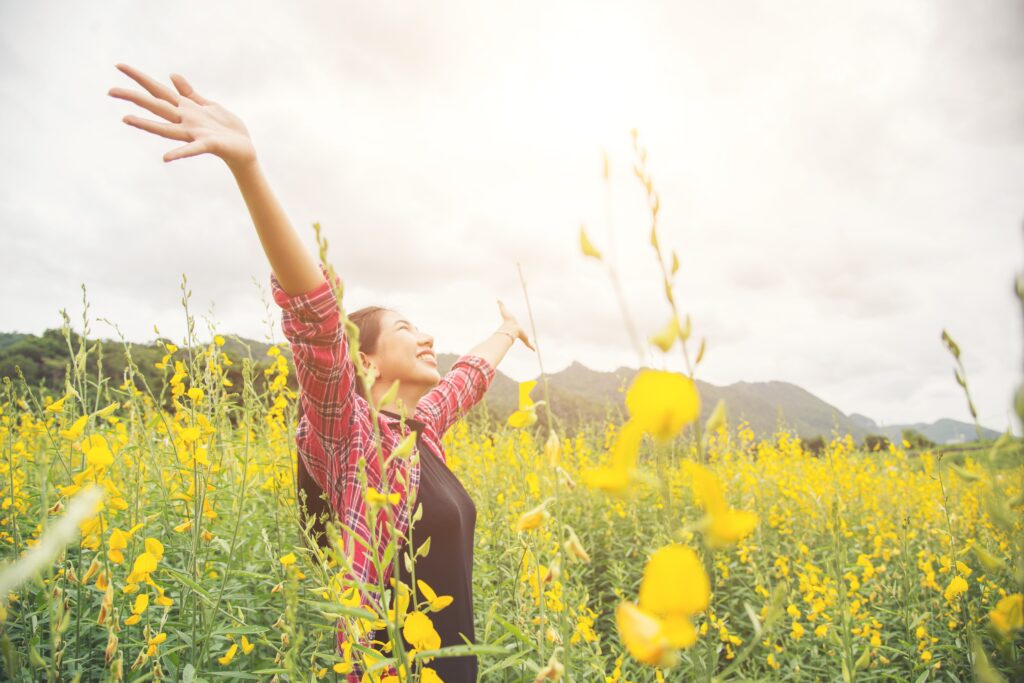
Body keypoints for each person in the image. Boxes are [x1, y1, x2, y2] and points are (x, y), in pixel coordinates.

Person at [109, 63, 536, 682]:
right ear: (365, 361)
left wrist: (507, 331)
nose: (427, 337)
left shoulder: (419, 439)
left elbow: (464, 381)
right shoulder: (352, 445)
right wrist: (248, 168)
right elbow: (316, 324)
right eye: (406, 328)